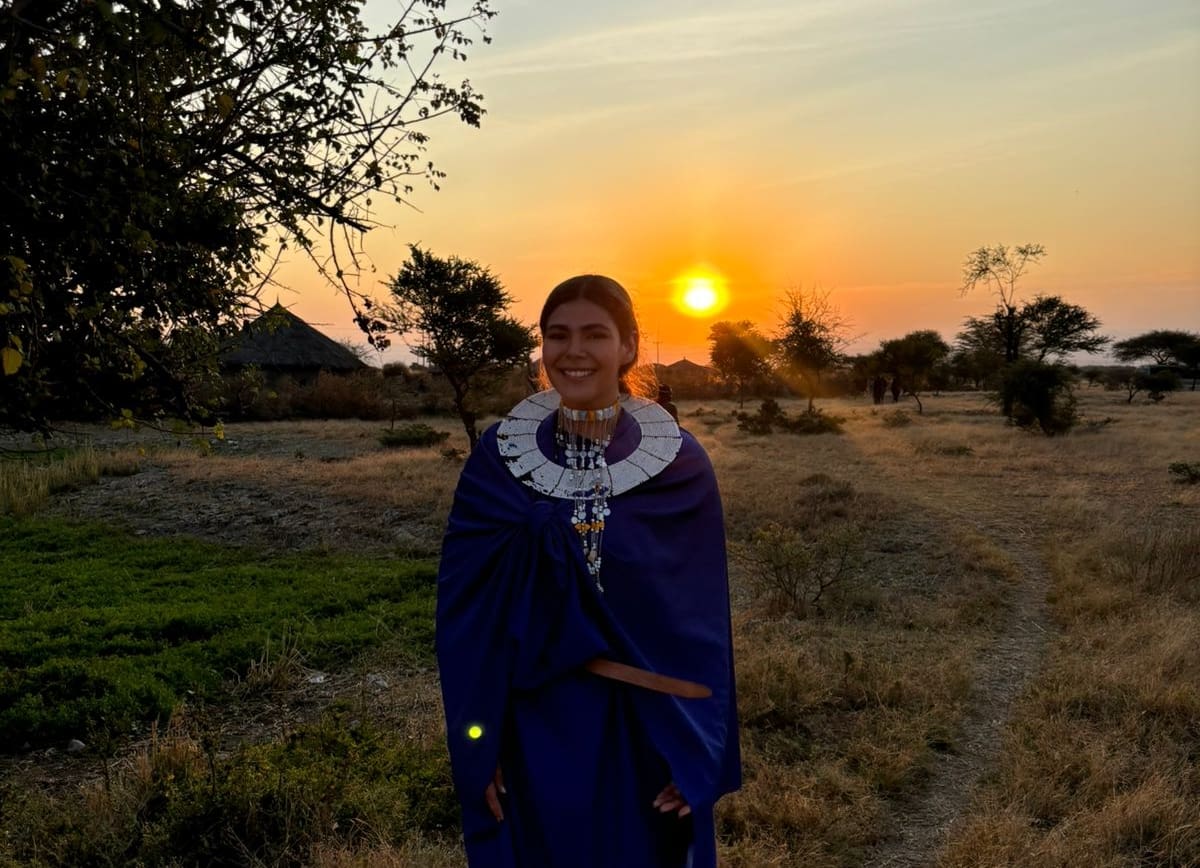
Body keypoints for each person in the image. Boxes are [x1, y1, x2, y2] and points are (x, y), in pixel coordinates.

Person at [437, 274, 740, 868]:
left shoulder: (680, 465)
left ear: (628, 346)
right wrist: (479, 739)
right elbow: (466, 617)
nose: (574, 352)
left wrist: (697, 750)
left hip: (645, 726)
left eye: (595, 335)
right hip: (533, 726)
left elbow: (702, 623)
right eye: (558, 335)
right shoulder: (497, 463)